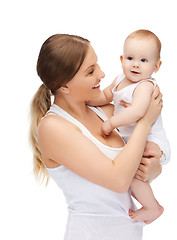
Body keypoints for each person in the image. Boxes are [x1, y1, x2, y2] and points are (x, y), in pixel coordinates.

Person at [29, 34, 167, 240]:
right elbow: (119, 180)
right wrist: (145, 122)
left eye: (97, 65)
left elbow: (144, 149)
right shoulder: (53, 127)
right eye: (91, 71)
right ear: (65, 86)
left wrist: (156, 166)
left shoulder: (105, 111)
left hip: (130, 232)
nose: (102, 74)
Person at [87, 29, 170, 223]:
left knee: (132, 173)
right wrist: (88, 100)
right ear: (121, 58)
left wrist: (111, 123)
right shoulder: (118, 80)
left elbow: (137, 112)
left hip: (152, 140)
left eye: (144, 60)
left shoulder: (145, 86)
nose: (135, 64)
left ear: (156, 66)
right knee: (129, 172)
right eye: (131, 58)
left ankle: (152, 207)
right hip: (135, 140)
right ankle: (149, 203)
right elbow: (105, 96)